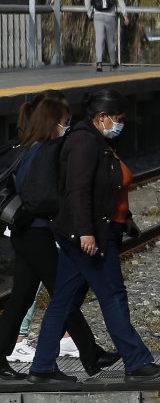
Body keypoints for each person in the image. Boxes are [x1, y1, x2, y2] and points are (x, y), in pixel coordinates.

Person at [28, 90, 160, 383]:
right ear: (102, 117)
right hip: (90, 237)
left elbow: (106, 188)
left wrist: (125, 219)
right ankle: (136, 361)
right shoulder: (83, 143)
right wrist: (86, 233)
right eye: (117, 119)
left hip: (96, 232)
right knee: (113, 296)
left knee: (63, 301)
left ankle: (41, 367)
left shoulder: (97, 141)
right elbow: (78, 191)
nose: (120, 124)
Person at [0, 99, 119, 380]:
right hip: (35, 232)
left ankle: (87, 354)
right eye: (64, 121)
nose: (67, 127)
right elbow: (41, 198)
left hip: (26, 232)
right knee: (61, 294)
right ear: (52, 122)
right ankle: (87, 354)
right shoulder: (42, 151)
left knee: (22, 297)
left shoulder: (30, 149)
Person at [84, 0, 129, 72]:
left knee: (99, 39)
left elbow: (87, 0)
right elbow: (120, 1)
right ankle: (113, 63)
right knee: (110, 40)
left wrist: (90, 13)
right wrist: (125, 15)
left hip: (97, 15)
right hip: (110, 15)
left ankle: (99, 63)